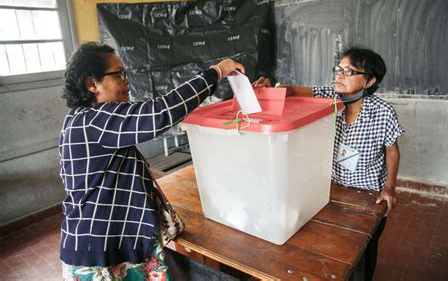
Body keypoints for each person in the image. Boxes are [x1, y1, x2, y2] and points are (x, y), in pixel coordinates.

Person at [59, 42, 244, 280]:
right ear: (91, 84)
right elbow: (160, 113)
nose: (126, 81)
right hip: (97, 252)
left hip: (111, 243)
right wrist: (216, 72)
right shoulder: (93, 121)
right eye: (118, 75)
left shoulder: (84, 120)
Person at [254, 46, 404, 280]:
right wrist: (271, 86)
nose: (339, 75)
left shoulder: (383, 112)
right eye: (339, 69)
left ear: (369, 80)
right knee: (336, 247)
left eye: (349, 71)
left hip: (368, 195)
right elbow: (291, 90)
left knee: (365, 252)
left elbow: (392, 151)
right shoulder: (330, 98)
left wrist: (389, 188)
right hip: (333, 188)